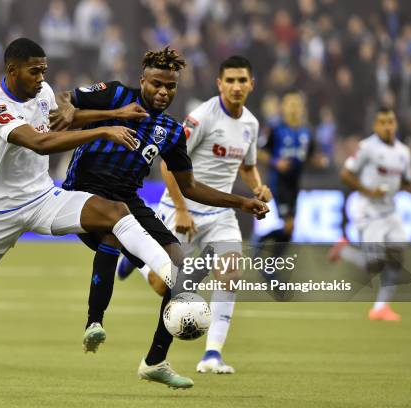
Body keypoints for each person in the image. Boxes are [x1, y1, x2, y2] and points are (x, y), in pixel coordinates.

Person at [0, 38, 190, 392]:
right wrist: (106, 128)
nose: (41, 78)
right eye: (34, 71)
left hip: (43, 198)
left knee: (115, 211)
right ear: (12, 70)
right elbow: (40, 142)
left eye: (44, 71)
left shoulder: (42, 91)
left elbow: (63, 120)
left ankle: (172, 276)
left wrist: (115, 115)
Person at [56, 49, 269, 388]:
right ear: (142, 80)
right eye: (156, 84)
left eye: (170, 87)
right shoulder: (115, 93)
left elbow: (190, 185)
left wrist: (241, 202)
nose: (163, 92)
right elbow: (65, 99)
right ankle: (94, 322)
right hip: (82, 191)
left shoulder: (171, 132)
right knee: (112, 231)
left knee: (180, 274)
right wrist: (84, 111)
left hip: (128, 198)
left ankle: (155, 360)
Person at [119, 56, 271, 374]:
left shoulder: (251, 124)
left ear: (251, 84)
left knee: (230, 273)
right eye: (230, 80)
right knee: (165, 289)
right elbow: (168, 165)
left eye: (242, 80)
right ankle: (139, 259)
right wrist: (183, 210)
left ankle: (212, 355)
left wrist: (257, 186)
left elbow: (246, 165)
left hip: (220, 213)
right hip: (180, 209)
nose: (236, 86)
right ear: (219, 84)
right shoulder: (202, 118)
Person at [328, 107, 411, 321]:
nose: (387, 126)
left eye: (391, 122)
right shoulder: (367, 148)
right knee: (374, 266)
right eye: (383, 122)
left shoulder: (403, 152)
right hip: (368, 210)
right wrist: (369, 191)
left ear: (395, 124)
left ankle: (380, 308)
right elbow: (346, 174)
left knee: (397, 256)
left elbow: (406, 182)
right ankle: (345, 251)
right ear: (376, 126)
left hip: (390, 211)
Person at [254, 91, 326, 264]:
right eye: (290, 104)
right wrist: (275, 161)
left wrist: (318, 161)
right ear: (283, 107)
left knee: (290, 230)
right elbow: (259, 153)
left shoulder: (307, 131)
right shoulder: (275, 128)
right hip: (278, 182)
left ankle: (267, 255)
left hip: (295, 183)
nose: (294, 108)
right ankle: (262, 249)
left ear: (302, 108)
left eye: (297, 104)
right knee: (289, 225)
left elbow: (309, 156)